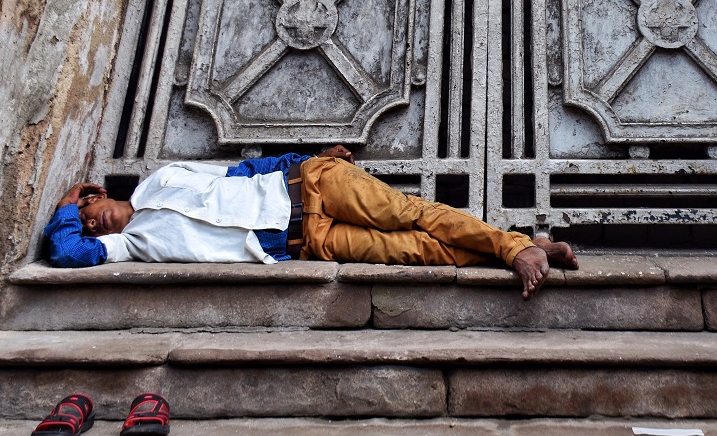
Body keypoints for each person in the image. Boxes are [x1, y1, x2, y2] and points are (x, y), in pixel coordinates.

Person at [44, 146, 577, 299]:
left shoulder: (160, 179)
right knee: (419, 250)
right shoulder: (131, 246)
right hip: (308, 241)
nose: (93, 226)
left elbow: (244, 170)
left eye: (88, 214)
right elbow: (68, 255)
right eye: (89, 226)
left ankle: (518, 248)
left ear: (100, 194)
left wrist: (310, 158)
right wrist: (67, 209)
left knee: (413, 212)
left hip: (313, 183)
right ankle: (524, 247)